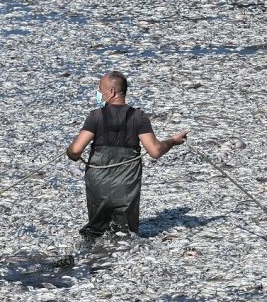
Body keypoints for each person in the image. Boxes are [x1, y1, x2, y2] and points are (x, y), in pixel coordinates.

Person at [66, 71, 188, 241]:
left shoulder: (95, 116)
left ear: (112, 92)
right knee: (125, 237)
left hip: (98, 185)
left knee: (95, 233)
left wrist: (69, 151)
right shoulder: (138, 117)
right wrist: (173, 141)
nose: (98, 94)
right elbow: (155, 151)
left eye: (100, 90)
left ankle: (87, 261)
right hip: (126, 186)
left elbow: (76, 150)